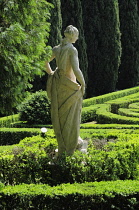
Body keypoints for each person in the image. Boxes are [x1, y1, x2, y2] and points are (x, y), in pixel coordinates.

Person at [45, 25, 85, 156]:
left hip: (57, 85)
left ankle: (62, 145)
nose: (77, 38)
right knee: (72, 116)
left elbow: (44, 61)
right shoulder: (72, 50)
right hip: (69, 87)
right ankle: (71, 145)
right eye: (77, 36)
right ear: (73, 36)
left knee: (59, 116)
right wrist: (83, 83)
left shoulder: (56, 49)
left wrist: (51, 73)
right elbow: (76, 69)